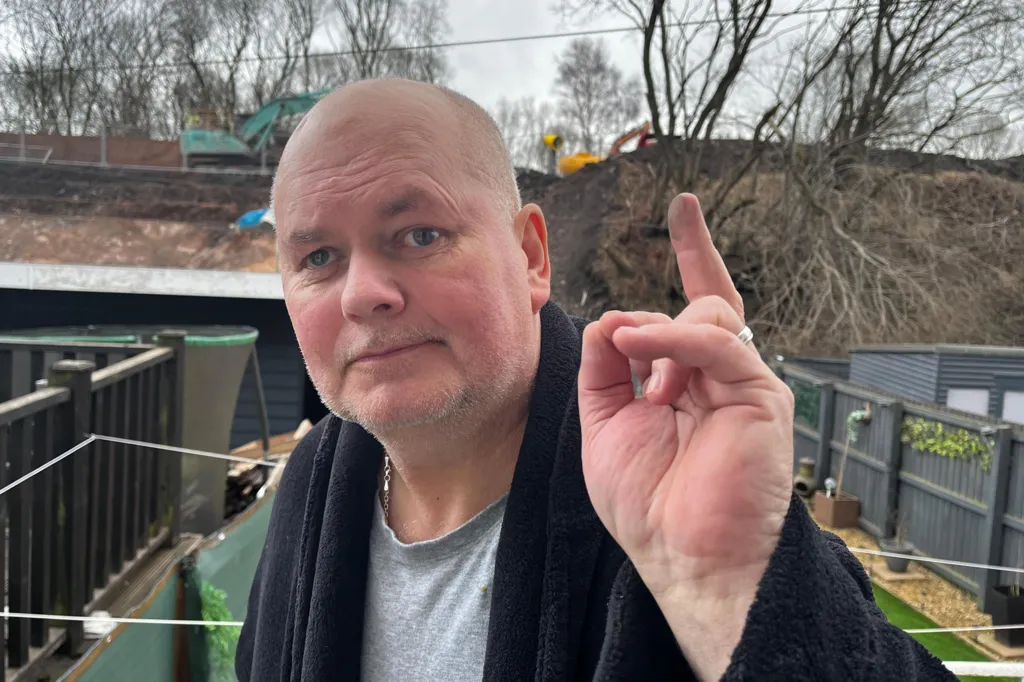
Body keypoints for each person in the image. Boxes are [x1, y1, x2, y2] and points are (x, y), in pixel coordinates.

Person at [236, 78, 955, 682]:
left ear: (531, 256)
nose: (364, 293)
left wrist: (730, 588)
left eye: (419, 235)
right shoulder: (311, 483)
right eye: (320, 257)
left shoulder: (663, 487)